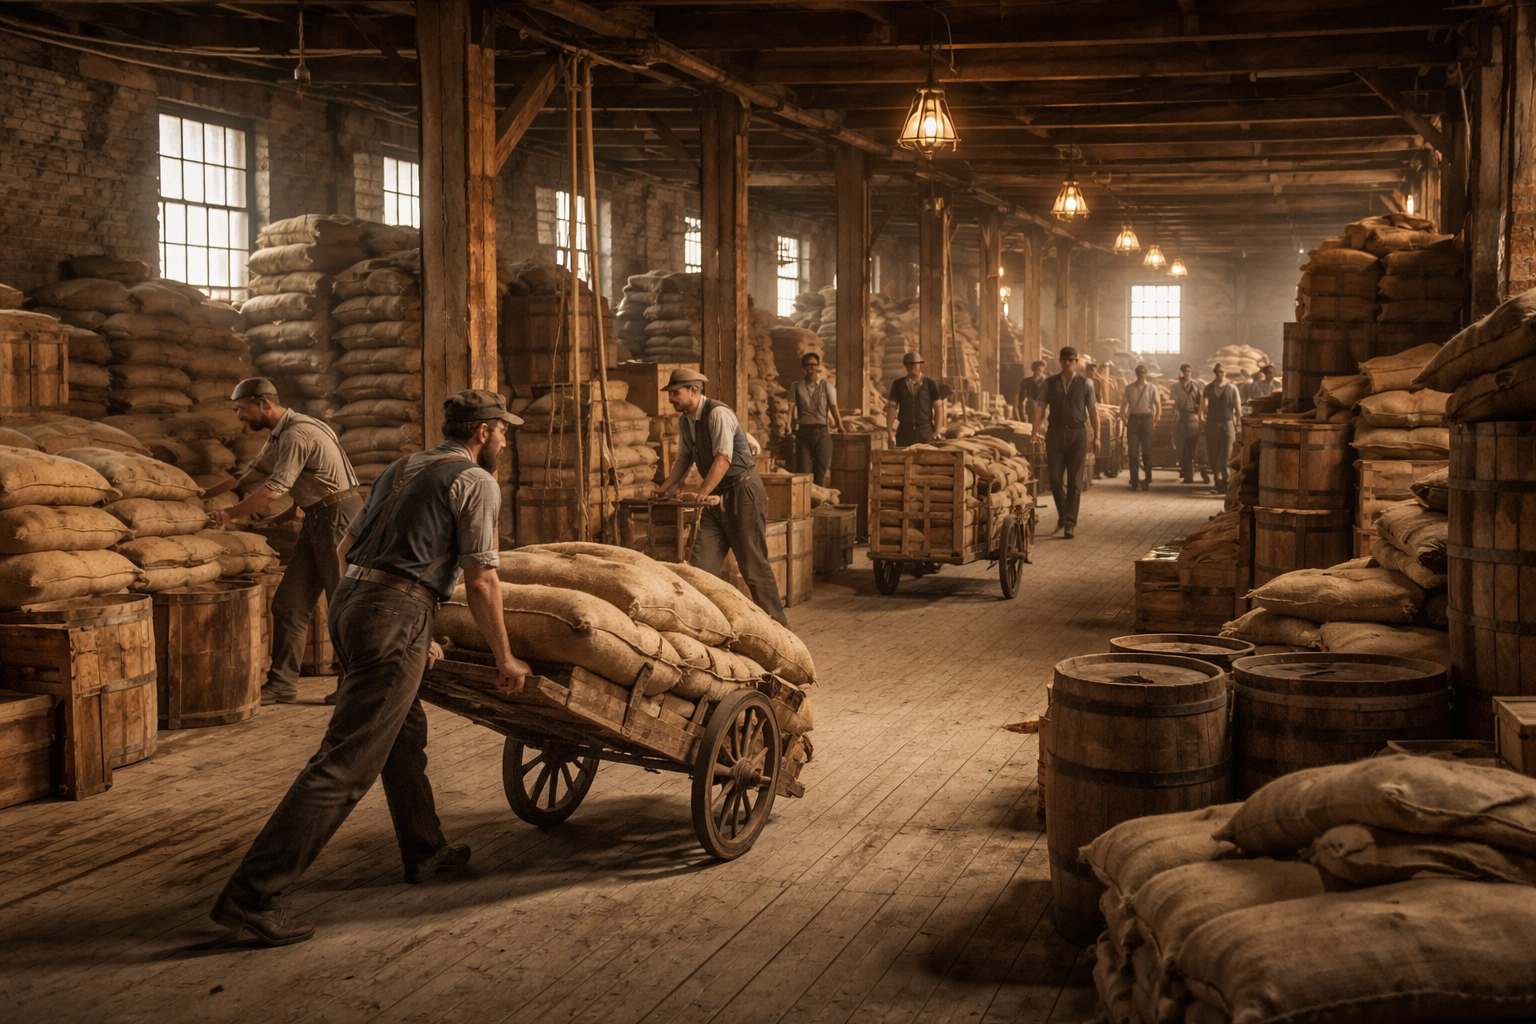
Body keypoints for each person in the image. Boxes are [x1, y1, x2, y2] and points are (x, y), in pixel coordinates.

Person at [210, 389, 530, 947]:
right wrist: (504, 655)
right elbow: (482, 578)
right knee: (345, 763)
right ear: (481, 432)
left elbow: (347, 543)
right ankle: (251, 896)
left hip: (355, 602)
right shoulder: (476, 482)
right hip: (393, 613)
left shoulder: (404, 466)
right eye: (503, 430)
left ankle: (425, 851)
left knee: (402, 734)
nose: (505, 439)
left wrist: (375, 611)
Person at [205, 378, 363, 707]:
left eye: (242, 409)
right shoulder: (282, 430)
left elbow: (273, 489)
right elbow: (249, 476)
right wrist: (200, 494)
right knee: (289, 605)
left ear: (264, 404)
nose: (238, 416)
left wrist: (229, 514)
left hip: (337, 519)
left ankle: (355, 685)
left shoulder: (295, 433)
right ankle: (282, 684)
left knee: (342, 606)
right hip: (318, 517)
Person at [654, 368, 788, 626]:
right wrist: (667, 487)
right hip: (715, 498)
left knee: (753, 566)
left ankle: (782, 632)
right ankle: (710, 628)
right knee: (701, 568)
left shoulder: (718, 414)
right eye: (670, 393)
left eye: (675, 392)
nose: (671, 398)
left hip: (743, 492)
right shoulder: (685, 421)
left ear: (695, 390)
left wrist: (701, 494)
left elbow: (724, 459)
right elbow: (684, 458)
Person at [1031, 346, 1099, 540]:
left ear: (1076, 362)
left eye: (1071, 360)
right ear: (1059, 362)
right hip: (1055, 434)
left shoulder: (1085, 383)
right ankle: (1063, 515)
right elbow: (1040, 407)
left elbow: (1093, 410)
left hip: (1078, 434)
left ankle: (1069, 523)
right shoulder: (1050, 383)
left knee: (1075, 482)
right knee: (1054, 479)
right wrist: (1034, 430)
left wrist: (1097, 435)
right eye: (1064, 360)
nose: (1067, 363)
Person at [789, 352, 843, 486]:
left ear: (818, 367)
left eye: (814, 364)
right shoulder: (795, 387)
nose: (811, 367)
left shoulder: (827, 386)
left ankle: (818, 504)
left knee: (820, 474)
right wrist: (790, 426)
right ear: (803, 368)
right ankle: (806, 505)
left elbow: (833, 407)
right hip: (803, 433)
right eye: (808, 365)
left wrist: (840, 425)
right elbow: (790, 408)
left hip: (822, 433)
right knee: (804, 474)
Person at [885, 351, 944, 446]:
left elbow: (938, 408)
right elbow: (892, 408)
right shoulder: (897, 384)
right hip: (904, 433)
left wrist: (936, 432)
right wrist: (890, 432)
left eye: (914, 364)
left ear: (920, 366)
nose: (911, 367)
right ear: (905, 366)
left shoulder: (930, 384)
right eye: (908, 364)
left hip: (925, 432)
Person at [1202, 364, 1243, 494]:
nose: (1222, 374)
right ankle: (1216, 479)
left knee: (1226, 456)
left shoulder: (1232, 388)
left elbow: (1238, 409)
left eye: (1224, 372)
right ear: (1216, 373)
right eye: (1220, 372)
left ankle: (1225, 482)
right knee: (1213, 454)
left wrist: (1238, 427)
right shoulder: (1208, 388)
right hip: (1212, 424)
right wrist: (1201, 420)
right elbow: (1203, 407)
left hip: (1227, 425)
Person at [1120, 364, 1160, 491]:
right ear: (1136, 374)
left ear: (1146, 374)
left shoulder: (1152, 388)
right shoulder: (1129, 388)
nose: (1141, 375)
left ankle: (1147, 479)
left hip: (1147, 419)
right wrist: (1124, 419)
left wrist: (1156, 418)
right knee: (1133, 453)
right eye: (1139, 373)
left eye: (1143, 373)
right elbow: (1123, 406)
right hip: (1133, 420)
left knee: (1147, 453)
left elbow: (1157, 405)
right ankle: (1134, 480)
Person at [1171, 363, 1208, 485]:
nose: (1188, 373)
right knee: (1180, 448)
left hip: (1193, 417)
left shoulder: (1196, 386)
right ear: (1181, 372)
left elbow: (1202, 402)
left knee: (1191, 449)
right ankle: (1184, 468)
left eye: (1189, 371)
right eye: (1185, 371)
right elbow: (1173, 404)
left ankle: (1189, 474)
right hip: (1180, 418)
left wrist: (1201, 416)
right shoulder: (1175, 387)